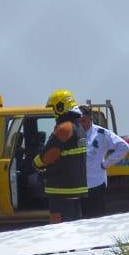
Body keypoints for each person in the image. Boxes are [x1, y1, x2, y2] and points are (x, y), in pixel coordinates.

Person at [34, 90, 88, 223]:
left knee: (58, 229)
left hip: (61, 190)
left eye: (54, 108)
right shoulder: (79, 128)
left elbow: (48, 155)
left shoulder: (64, 128)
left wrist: (35, 163)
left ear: (60, 107)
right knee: (76, 227)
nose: (54, 112)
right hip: (75, 189)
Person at [79, 105, 129, 218]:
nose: (81, 124)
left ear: (90, 119)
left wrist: (106, 164)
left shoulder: (101, 134)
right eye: (79, 121)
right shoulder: (74, 133)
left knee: (96, 218)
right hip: (78, 185)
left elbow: (124, 147)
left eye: (83, 121)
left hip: (95, 184)